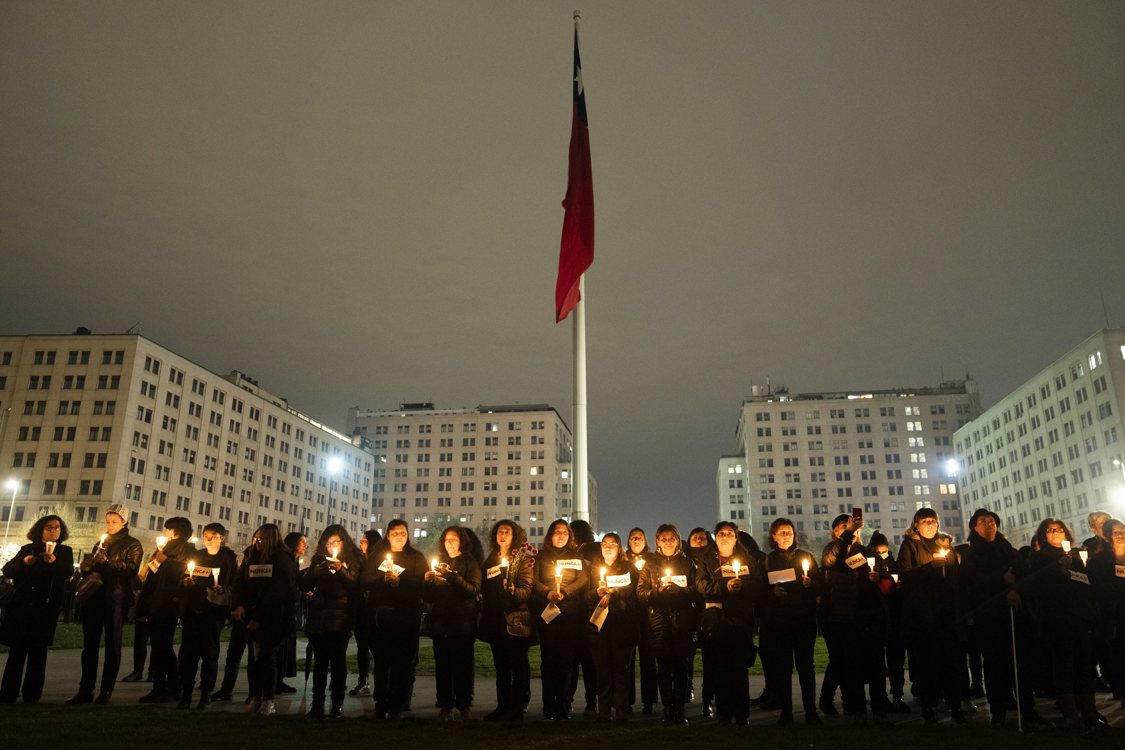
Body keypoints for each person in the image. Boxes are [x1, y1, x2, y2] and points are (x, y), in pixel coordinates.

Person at [957, 508, 1039, 726]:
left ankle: (1027, 709)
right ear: (974, 527)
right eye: (983, 521)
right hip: (990, 616)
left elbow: (1023, 573)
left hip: (1013, 612)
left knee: (1020, 662)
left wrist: (1015, 590)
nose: (988, 524)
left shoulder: (1007, 549)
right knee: (995, 664)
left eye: (991, 520)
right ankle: (998, 710)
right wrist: (1002, 581)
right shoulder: (972, 554)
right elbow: (972, 582)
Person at [1023, 518, 1100, 728]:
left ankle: (1090, 712)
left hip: (1080, 618)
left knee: (1085, 664)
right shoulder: (1040, 558)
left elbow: (1085, 583)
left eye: (1059, 530)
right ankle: (1070, 713)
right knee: (1064, 664)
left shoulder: (1075, 557)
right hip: (1057, 618)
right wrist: (1059, 569)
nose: (1056, 533)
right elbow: (1039, 586)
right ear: (1043, 535)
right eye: (1050, 530)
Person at [67, 504, 143, 705]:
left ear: (124, 522)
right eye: (108, 521)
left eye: (114, 521)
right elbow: (92, 569)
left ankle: (106, 690)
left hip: (114, 598)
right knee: (90, 646)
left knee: (112, 645)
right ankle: (86, 689)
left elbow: (131, 570)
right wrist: (86, 566)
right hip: (94, 597)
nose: (110, 525)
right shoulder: (101, 542)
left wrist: (107, 562)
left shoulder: (133, 544)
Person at [818, 512, 889, 723]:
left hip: (868, 615)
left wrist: (879, 578)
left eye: (852, 527)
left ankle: (879, 706)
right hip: (842, 616)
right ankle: (851, 706)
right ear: (835, 533)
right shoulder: (831, 551)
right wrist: (847, 535)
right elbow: (835, 561)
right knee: (847, 663)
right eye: (843, 527)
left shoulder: (866, 552)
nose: (850, 529)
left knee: (875, 664)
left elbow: (885, 574)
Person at [898, 508, 963, 724]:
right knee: (926, 663)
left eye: (933, 521)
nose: (929, 524)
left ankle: (955, 707)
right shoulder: (909, 545)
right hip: (922, 614)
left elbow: (955, 577)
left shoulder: (945, 544)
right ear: (915, 524)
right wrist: (930, 568)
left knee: (950, 662)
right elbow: (905, 576)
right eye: (924, 521)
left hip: (945, 612)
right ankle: (928, 707)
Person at [696, 521, 765, 725]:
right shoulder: (706, 560)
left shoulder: (746, 559)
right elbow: (701, 585)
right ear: (715, 538)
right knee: (720, 669)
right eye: (721, 533)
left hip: (740, 621)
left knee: (739, 669)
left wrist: (741, 586)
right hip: (717, 622)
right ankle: (724, 713)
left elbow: (759, 586)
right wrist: (725, 586)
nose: (725, 536)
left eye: (729, 533)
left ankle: (742, 714)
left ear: (736, 538)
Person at [0, 515, 74, 703]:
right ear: (40, 529)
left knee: (38, 654)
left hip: (45, 608)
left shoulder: (64, 551)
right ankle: (8, 692)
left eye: (57, 527)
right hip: (23, 607)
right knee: (17, 652)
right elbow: (8, 570)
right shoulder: (27, 549)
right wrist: (25, 563)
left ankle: (32, 694)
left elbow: (67, 572)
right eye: (49, 527)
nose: (53, 531)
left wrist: (53, 562)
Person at [360, 518, 427, 719]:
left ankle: (398, 702)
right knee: (381, 661)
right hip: (381, 616)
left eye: (403, 533)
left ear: (408, 536)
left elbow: (421, 581)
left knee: (402, 662)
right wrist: (383, 579)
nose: (399, 537)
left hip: (406, 615)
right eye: (395, 533)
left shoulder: (415, 557)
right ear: (388, 535)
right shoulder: (377, 557)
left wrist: (401, 581)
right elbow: (365, 579)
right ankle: (381, 702)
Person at [231, 523, 298, 716]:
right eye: (256, 538)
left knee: (267, 657)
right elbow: (239, 583)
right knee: (254, 658)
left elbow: (276, 593)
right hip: (251, 614)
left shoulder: (281, 560)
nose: (257, 542)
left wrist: (259, 618)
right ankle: (255, 696)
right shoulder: (251, 556)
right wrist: (239, 604)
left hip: (274, 618)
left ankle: (268, 699)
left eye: (261, 539)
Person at [636, 523, 699, 726]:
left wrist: (679, 592)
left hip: (682, 621)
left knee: (681, 668)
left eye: (672, 538)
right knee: (663, 668)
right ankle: (667, 708)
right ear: (657, 541)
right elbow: (641, 593)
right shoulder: (649, 564)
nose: (668, 542)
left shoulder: (688, 563)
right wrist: (658, 593)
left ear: (678, 540)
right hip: (659, 621)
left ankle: (679, 709)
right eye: (664, 539)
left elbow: (696, 590)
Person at [759, 518, 819, 725]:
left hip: (804, 619)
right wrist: (772, 592)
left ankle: (811, 711)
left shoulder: (806, 557)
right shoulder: (767, 561)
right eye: (782, 532)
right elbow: (760, 591)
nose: (786, 535)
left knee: (806, 667)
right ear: (773, 536)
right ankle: (786, 712)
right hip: (780, 621)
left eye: (789, 532)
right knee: (783, 668)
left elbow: (820, 586)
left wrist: (811, 584)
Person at [300, 524, 361, 719]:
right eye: (328, 543)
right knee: (319, 663)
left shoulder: (353, 560)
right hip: (320, 617)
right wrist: (316, 572)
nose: (331, 546)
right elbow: (305, 584)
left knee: (338, 662)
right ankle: (317, 703)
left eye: (335, 542)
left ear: (344, 542)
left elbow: (354, 585)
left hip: (341, 617)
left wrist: (341, 569)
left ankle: (337, 703)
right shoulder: (319, 560)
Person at [533, 518, 591, 721]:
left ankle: (564, 705)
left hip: (570, 613)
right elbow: (534, 579)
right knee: (548, 660)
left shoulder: (576, 557)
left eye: (564, 532)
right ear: (550, 535)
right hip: (548, 612)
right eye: (556, 531)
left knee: (567, 661)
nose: (560, 535)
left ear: (570, 536)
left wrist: (565, 592)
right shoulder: (542, 556)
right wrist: (548, 592)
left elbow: (583, 579)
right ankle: (548, 704)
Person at [423, 525, 482, 720]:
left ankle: (464, 705)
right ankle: (445, 704)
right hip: (441, 622)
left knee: (462, 666)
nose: (449, 543)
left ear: (462, 542)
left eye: (454, 539)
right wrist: (428, 582)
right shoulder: (440, 562)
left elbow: (473, 589)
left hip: (462, 622)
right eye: (446, 539)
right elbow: (429, 597)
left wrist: (452, 577)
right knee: (443, 667)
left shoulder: (469, 562)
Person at [479, 519, 535, 721]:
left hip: (516, 619)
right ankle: (502, 706)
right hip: (495, 619)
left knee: (518, 664)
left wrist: (514, 592)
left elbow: (527, 589)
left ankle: (518, 706)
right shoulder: (492, 559)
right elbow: (485, 583)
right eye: (500, 531)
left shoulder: (523, 559)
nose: (502, 535)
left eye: (507, 532)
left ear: (515, 536)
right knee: (501, 666)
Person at [178, 522, 237, 710]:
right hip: (193, 611)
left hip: (213, 613)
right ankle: (186, 693)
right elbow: (185, 577)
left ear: (223, 537)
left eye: (213, 536)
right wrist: (186, 583)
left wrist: (224, 589)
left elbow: (236, 585)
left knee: (209, 654)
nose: (209, 540)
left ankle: (206, 694)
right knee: (188, 655)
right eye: (205, 536)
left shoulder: (228, 559)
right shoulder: (197, 557)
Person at [136, 516, 194, 704]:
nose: (165, 533)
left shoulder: (185, 549)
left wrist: (164, 561)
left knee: (163, 646)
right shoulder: (165, 549)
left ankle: (173, 686)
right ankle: (159, 687)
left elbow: (185, 572)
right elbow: (152, 574)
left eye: (167, 530)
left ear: (174, 531)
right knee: (159, 647)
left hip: (168, 603)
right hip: (157, 602)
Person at [586, 532, 639, 722]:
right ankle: (604, 711)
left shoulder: (629, 568)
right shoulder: (592, 569)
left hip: (622, 624)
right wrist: (596, 593)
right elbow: (585, 596)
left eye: (613, 544)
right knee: (603, 671)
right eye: (604, 544)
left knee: (621, 670)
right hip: (600, 627)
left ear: (619, 548)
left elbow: (632, 591)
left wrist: (612, 594)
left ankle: (622, 710)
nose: (608, 547)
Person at [1091, 518, 1125, 708]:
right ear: (1107, 537)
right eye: (1115, 532)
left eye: (1122, 531)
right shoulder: (1099, 562)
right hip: (1115, 619)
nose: (1120, 535)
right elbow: (1098, 590)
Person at [624, 527, 657, 715]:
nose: (636, 540)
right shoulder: (623, 562)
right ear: (628, 542)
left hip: (647, 614)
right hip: (629, 614)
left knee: (648, 658)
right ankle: (627, 701)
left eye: (640, 538)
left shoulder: (652, 561)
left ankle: (649, 700)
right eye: (633, 538)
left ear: (645, 542)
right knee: (627, 660)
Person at [685, 527, 715, 716]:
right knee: (687, 654)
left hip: (707, 610)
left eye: (702, 538)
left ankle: (708, 696)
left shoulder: (712, 560)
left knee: (710, 657)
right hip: (689, 611)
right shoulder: (685, 560)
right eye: (694, 537)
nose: (698, 540)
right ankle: (688, 688)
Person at [349, 529, 382, 697]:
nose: (361, 543)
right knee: (362, 648)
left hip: (376, 611)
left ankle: (382, 684)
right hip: (361, 610)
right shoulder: (360, 561)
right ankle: (363, 681)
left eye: (364, 540)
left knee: (378, 649)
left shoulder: (381, 561)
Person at [276, 531, 306, 695]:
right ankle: (274, 681)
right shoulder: (285, 561)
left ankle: (279, 679)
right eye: (302, 542)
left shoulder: (294, 561)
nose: (305, 546)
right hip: (282, 610)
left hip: (290, 610)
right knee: (279, 648)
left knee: (285, 647)